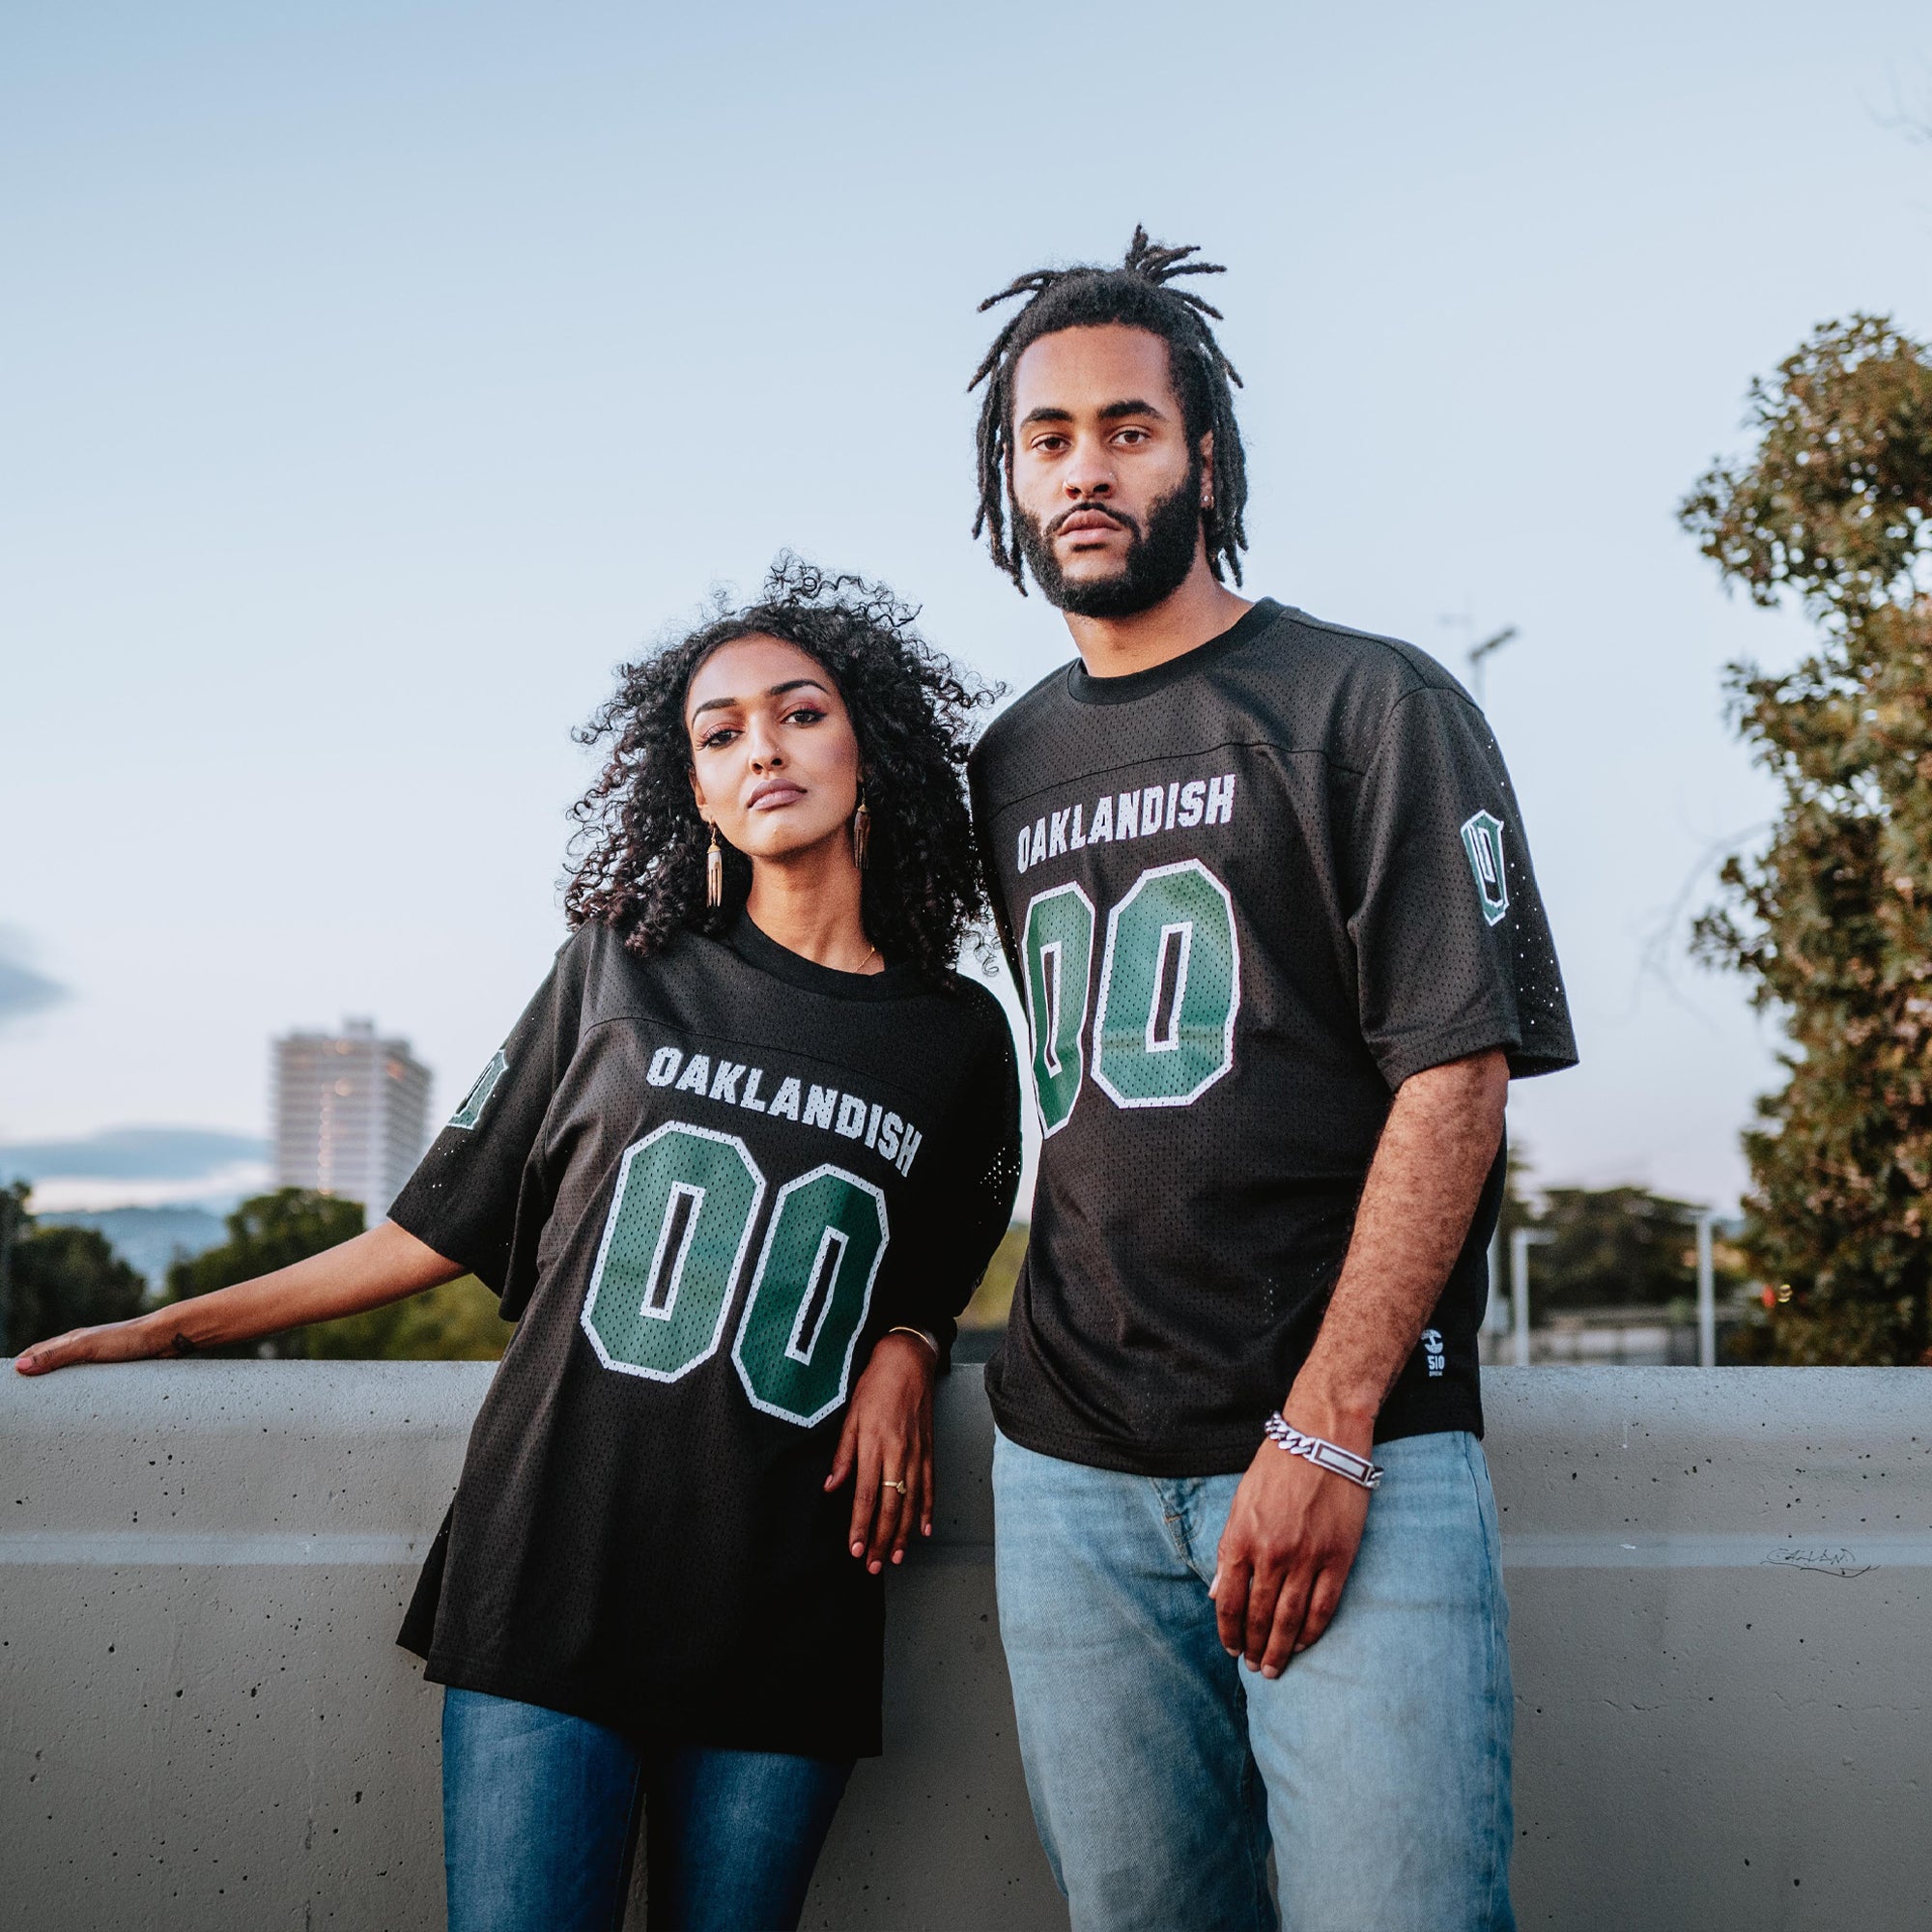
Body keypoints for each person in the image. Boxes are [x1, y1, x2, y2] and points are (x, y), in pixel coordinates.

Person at [16, 558, 1022, 1932]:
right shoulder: (622, 964)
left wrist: (909, 1342)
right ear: (694, 791)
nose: (761, 749)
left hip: (791, 1599)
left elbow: (963, 1221)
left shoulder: (957, 1037)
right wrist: (168, 1328)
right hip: (553, 1570)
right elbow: (435, 1227)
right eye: (718, 733)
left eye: (798, 712)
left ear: (874, 743)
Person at [963, 230, 1577, 1932]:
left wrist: (1329, 1420)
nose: (1086, 469)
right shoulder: (1005, 761)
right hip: (1070, 1467)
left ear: (1205, 453)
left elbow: (1457, 1074)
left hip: (1340, 1449)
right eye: (1048, 438)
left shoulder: (1369, 702)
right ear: (1009, 474)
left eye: (1128, 429)